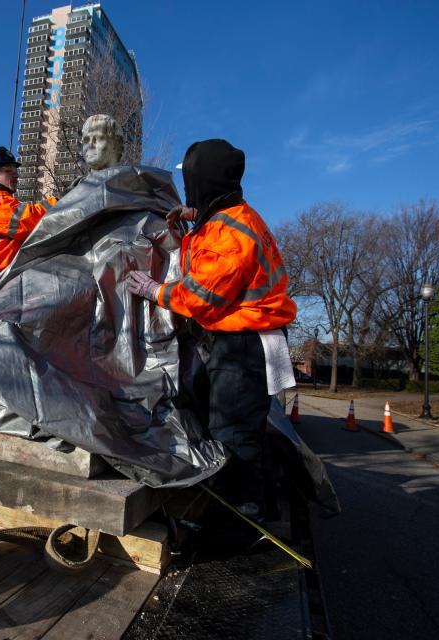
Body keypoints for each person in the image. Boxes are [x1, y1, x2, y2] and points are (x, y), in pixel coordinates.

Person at [126, 139, 297, 517]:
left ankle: (245, 514)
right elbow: (209, 255)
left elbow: (202, 296)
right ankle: (253, 499)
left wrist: (155, 290)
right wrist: (193, 215)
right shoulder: (232, 217)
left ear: (202, 183)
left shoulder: (229, 233)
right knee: (214, 406)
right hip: (247, 339)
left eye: (190, 184)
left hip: (244, 344)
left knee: (233, 431)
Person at [0, 146, 56, 296]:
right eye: (8, 170)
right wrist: (60, 202)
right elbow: (29, 220)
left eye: (15, 171)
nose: (15, 175)